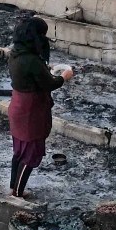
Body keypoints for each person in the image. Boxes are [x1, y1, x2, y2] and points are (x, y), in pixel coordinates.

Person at [7, 15, 72, 198]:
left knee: (19, 151)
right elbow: (49, 84)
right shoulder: (32, 61)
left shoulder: (16, 54)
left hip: (18, 107)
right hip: (31, 112)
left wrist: (44, 70)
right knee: (31, 155)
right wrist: (63, 77)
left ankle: (14, 186)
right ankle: (18, 193)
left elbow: (35, 75)